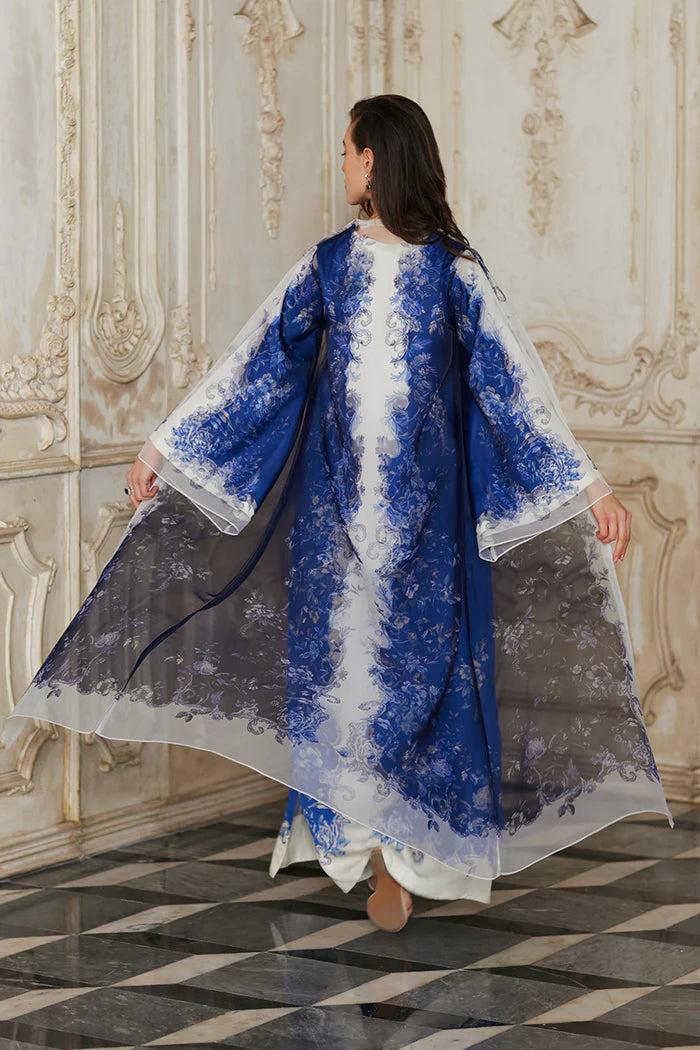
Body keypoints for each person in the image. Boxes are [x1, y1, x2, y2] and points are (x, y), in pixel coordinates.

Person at [6, 95, 672, 934]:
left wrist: (589, 490)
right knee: (341, 682)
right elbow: (255, 365)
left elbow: (514, 389)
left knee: (422, 681)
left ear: (376, 160)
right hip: (334, 530)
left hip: (430, 530)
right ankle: (364, 850)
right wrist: (165, 450)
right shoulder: (327, 266)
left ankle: (413, 852)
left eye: (350, 150)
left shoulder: (455, 274)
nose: (343, 164)